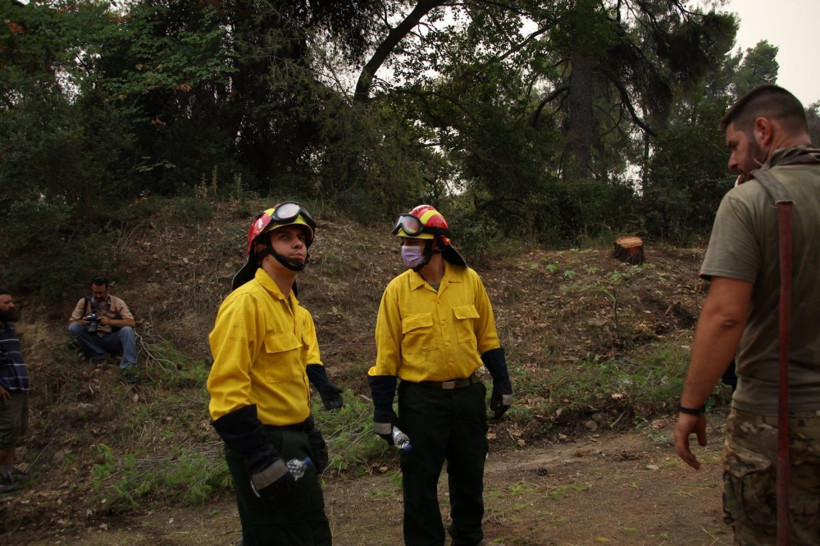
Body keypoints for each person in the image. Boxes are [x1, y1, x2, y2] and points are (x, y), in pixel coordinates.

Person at [673, 84, 820, 543]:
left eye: (735, 147)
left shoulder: (751, 200)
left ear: (763, 131)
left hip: (777, 416)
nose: (733, 162)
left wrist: (690, 406)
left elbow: (725, 316)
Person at [367, 204, 513, 546]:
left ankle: (469, 535)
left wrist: (502, 383)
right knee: (418, 480)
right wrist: (383, 413)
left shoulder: (469, 281)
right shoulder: (396, 292)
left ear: (438, 243)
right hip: (421, 403)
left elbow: (488, 337)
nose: (406, 249)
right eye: (403, 242)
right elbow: (386, 357)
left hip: (467, 397)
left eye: (414, 242)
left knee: (469, 474)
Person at [207, 202, 341, 545]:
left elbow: (289, 381)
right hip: (263, 443)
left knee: (312, 530)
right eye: (286, 237)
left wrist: (308, 429)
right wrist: (260, 457)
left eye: (302, 238)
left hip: (295, 442)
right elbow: (227, 389)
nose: (299, 244)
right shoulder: (245, 303)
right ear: (262, 249)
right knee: (275, 536)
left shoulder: (294, 310)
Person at [68, 277, 137, 370]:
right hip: (90, 338)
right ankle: (99, 354)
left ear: (107, 290)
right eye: (95, 293)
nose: (98, 296)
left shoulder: (117, 302)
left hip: (109, 337)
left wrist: (110, 321)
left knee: (127, 330)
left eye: (101, 293)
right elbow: (71, 323)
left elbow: (131, 322)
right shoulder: (83, 302)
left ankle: (129, 366)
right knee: (74, 327)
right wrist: (84, 322)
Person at [0, 289, 30, 493]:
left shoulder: (8, 328)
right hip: (5, 388)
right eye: (6, 302)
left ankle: (7, 471)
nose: (12, 305)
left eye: (12, 301)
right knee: (6, 431)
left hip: (17, 385)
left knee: (15, 430)